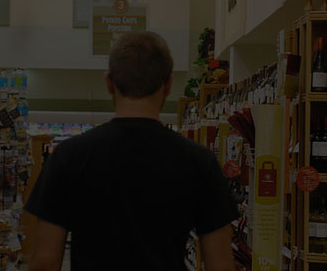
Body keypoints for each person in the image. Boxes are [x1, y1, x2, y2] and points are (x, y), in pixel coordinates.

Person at [25, 31, 239, 271]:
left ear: (109, 83)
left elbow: (45, 261)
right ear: (168, 84)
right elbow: (220, 265)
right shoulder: (200, 162)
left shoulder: (67, 157)